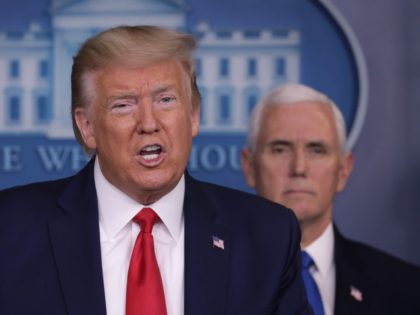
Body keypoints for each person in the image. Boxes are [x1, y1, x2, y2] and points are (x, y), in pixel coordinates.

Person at [0, 26, 313, 315]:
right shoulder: (10, 229)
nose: (149, 123)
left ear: (193, 116)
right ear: (87, 127)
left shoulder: (266, 237)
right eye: (123, 104)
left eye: (166, 100)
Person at [241, 83, 420, 315]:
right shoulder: (206, 278)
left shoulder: (407, 289)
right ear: (250, 168)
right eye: (280, 149)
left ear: (343, 170)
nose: (299, 168)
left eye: (317, 150)